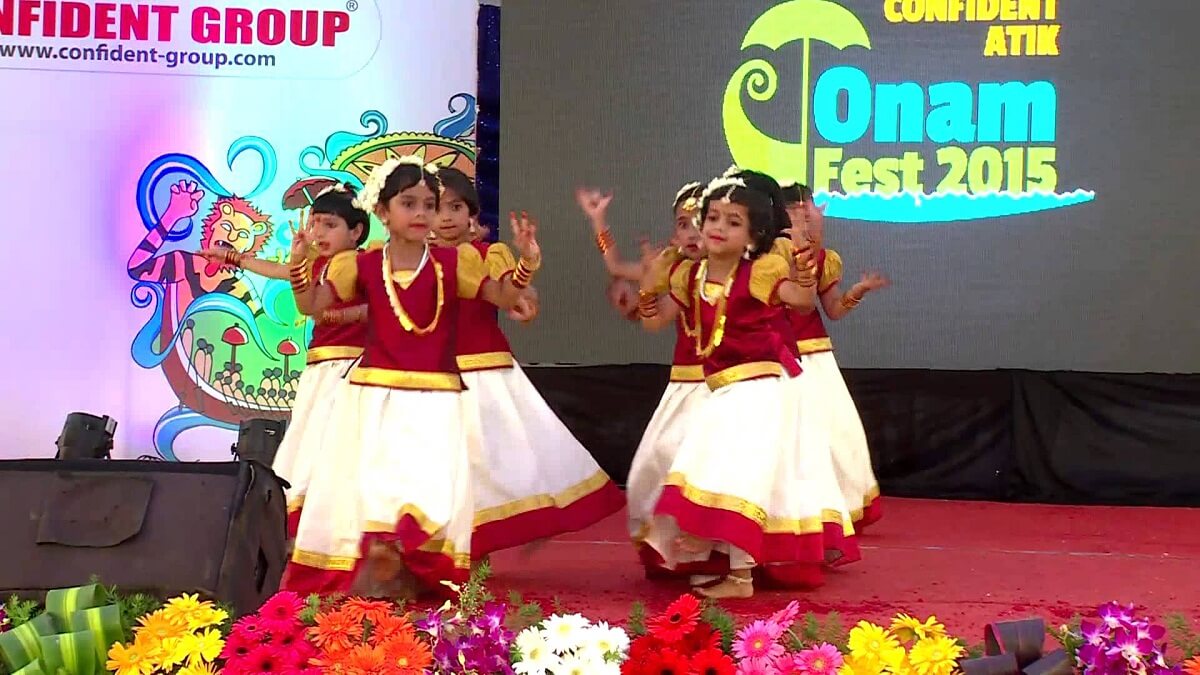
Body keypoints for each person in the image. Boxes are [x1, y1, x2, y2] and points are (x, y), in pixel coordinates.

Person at [281, 156, 541, 596]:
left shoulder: (454, 264)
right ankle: (383, 564)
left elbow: (499, 295)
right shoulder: (362, 265)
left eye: (430, 204)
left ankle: (413, 567)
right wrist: (297, 265)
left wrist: (527, 264)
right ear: (382, 212)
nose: (423, 214)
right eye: (408, 203)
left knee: (430, 491)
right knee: (380, 488)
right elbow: (312, 306)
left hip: (436, 399)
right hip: (374, 397)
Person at [636, 171, 857, 598]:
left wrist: (803, 274)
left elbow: (800, 301)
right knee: (726, 468)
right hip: (722, 387)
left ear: (753, 236)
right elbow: (651, 320)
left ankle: (710, 542)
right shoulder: (688, 276)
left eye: (733, 222)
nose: (718, 227)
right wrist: (648, 288)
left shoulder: (760, 273)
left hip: (760, 386)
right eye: (713, 218)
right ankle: (737, 574)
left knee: (720, 460)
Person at [430, 168, 624, 557]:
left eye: (456, 207)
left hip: (483, 372)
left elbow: (511, 294)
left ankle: (476, 547)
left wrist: (527, 270)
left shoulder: (488, 254)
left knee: (487, 464)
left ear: (472, 214)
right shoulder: (409, 259)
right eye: (436, 208)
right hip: (429, 373)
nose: (446, 217)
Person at [199, 184, 370, 530]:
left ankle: (337, 525)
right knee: (310, 440)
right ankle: (309, 525)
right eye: (315, 223)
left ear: (357, 231)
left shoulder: (360, 263)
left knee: (336, 442)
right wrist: (234, 258)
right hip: (321, 368)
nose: (319, 232)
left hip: (351, 369)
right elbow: (281, 273)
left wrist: (345, 317)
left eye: (330, 225)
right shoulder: (318, 263)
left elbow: (379, 304)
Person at [576, 182, 719, 579]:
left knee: (706, 471)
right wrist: (599, 221)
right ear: (674, 234)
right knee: (652, 469)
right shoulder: (672, 267)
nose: (691, 233)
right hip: (684, 386)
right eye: (682, 225)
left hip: (724, 390)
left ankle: (716, 553)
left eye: (699, 222)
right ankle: (676, 550)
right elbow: (644, 303)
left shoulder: (735, 269)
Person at [778, 181, 890, 528]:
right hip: (780, 358)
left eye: (809, 208)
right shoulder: (770, 257)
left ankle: (837, 508)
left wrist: (857, 291)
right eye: (798, 209)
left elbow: (834, 310)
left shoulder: (825, 259)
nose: (808, 215)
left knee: (838, 434)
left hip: (818, 359)